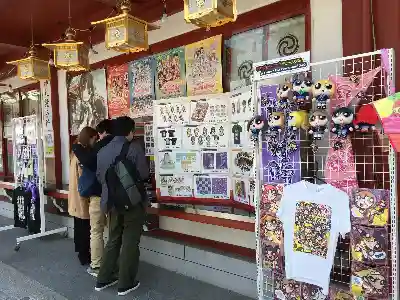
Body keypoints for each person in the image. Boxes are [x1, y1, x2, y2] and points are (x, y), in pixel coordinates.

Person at [95, 116, 149, 296]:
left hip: (111, 203)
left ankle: (103, 278)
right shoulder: (134, 148)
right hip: (132, 202)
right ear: (129, 131)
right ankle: (126, 283)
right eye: (133, 130)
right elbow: (143, 173)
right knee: (130, 241)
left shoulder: (102, 150)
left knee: (113, 238)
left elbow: (99, 177)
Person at [72, 119, 114, 277]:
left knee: (96, 231)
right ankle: (111, 263)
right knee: (112, 231)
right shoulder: (118, 146)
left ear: (100, 133)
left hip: (96, 195)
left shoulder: (93, 150)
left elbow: (88, 163)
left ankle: (97, 266)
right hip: (113, 195)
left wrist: (75, 146)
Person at [68, 126, 98, 266]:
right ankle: (84, 255)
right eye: (94, 138)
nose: (95, 141)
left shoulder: (75, 150)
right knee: (84, 226)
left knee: (79, 225)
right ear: (90, 137)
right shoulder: (82, 154)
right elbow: (84, 176)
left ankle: (81, 253)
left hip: (75, 193)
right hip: (82, 195)